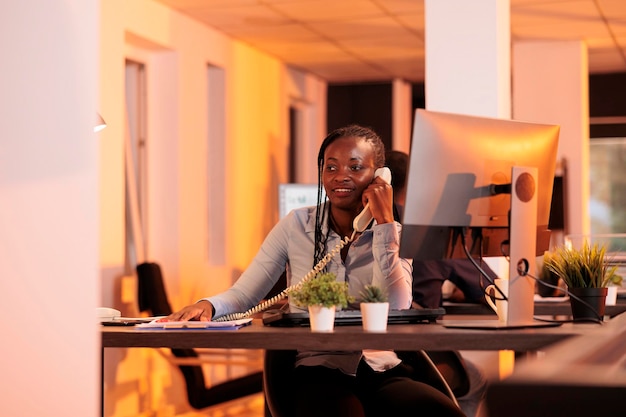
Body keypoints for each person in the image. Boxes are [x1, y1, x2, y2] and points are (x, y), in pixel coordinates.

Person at [164, 125, 465, 417]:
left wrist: (385, 224)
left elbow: (396, 304)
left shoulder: (394, 232)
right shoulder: (297, 225)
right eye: (330, 168)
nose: (340, 177)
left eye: (355, 167)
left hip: (381, 365)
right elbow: (245, 294)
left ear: (379, 178)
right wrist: (207, 305)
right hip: (319, 369)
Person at [385, 149, 488, 417]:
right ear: (417, 182)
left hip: (367, 353)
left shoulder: (356, 227)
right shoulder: (432, 228)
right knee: (476, 380)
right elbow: (490, 289)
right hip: (419, 358)